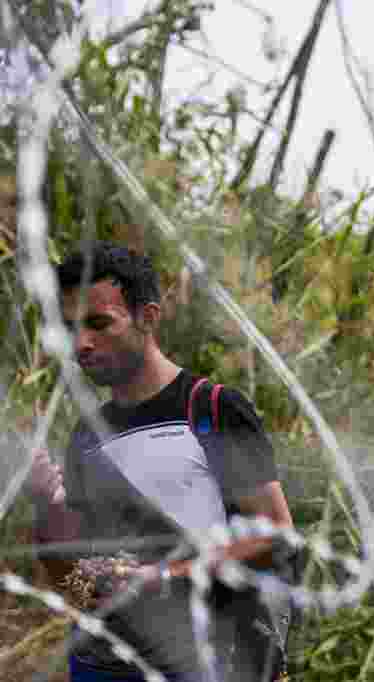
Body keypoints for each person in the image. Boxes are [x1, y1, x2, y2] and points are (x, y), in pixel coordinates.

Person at [28, 242, 295, 681]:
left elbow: (276, 535)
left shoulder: (211, 409)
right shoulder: (85, 436)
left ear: (148, 317)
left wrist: (163, 576)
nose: (82, 343)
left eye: (99, 324)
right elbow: (74, 584)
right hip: (105, 664)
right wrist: (44, 507)